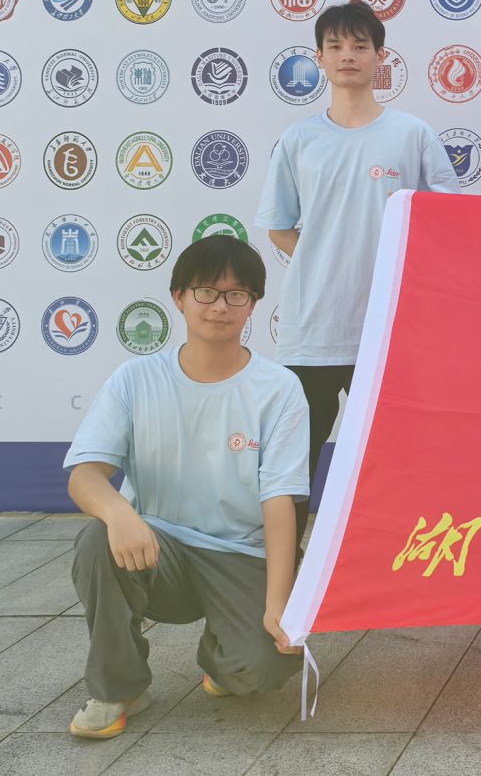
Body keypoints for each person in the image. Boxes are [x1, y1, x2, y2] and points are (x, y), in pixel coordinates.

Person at [64, 236, 308, 738]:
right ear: (179, 297)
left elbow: (279, 499)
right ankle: (119, 687)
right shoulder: (135, 379)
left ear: (253, 305)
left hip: (240, 554)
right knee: (97, 540)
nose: (220, 306)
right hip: (159, 549)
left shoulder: (279, 388)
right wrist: (120, 514)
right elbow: (85, 474)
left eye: (236, 295)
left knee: (264, 669)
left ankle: (223, 658)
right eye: (206, 292)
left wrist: (278, 603)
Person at [257, 0, 460, 537]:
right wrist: (324, 257)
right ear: (319, 59)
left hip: (393, 326)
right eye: (336, 46)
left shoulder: (411, 134)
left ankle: (402, 551)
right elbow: (278, 225)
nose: (348, 55)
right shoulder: (300, 140)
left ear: (380, 57)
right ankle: (286, 563)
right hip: (314, 329)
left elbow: (447, 218)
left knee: (404, 450)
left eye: (360, 46)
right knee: (295, 457)